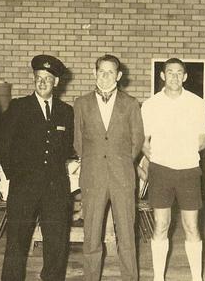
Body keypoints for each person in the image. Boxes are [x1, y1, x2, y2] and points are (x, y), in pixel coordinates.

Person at [0, 54, 74, 281]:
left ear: (56, 82)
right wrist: (17, 176)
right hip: (24, 187)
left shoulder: (66, 111)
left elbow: (69, 147)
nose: (42, 82)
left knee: (57, 243)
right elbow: (3, 145)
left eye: (48, 78)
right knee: (17, 242)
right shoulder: (18, 107)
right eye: (38, 77)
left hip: (55, 188)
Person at [73, 54, 144, 281]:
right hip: (93, 176)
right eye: (101, 71)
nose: (105, 76)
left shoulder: (131, 104)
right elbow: (78, 141)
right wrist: (94, 162)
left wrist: (121, 161)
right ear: (94, 73)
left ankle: (130, 277)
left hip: (122, 176)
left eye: (110, 72)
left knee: (126, 233)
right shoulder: (81, 103)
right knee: (91, 234)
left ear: (119, 75)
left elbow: (137, 140)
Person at [141, 57, 205, 281]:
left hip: (188, 171)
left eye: (179, 73)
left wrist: (181, 150)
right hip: (161, 171)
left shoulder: (197, 103)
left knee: (192, 226)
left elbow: (202, 141)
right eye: (170, 72)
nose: (174, 77)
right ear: (162, 75)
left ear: (185, 76)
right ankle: (158, 278)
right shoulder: (151, 105)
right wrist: (158, 156)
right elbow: (143, 141)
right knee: (161, 225)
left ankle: (196, 278)